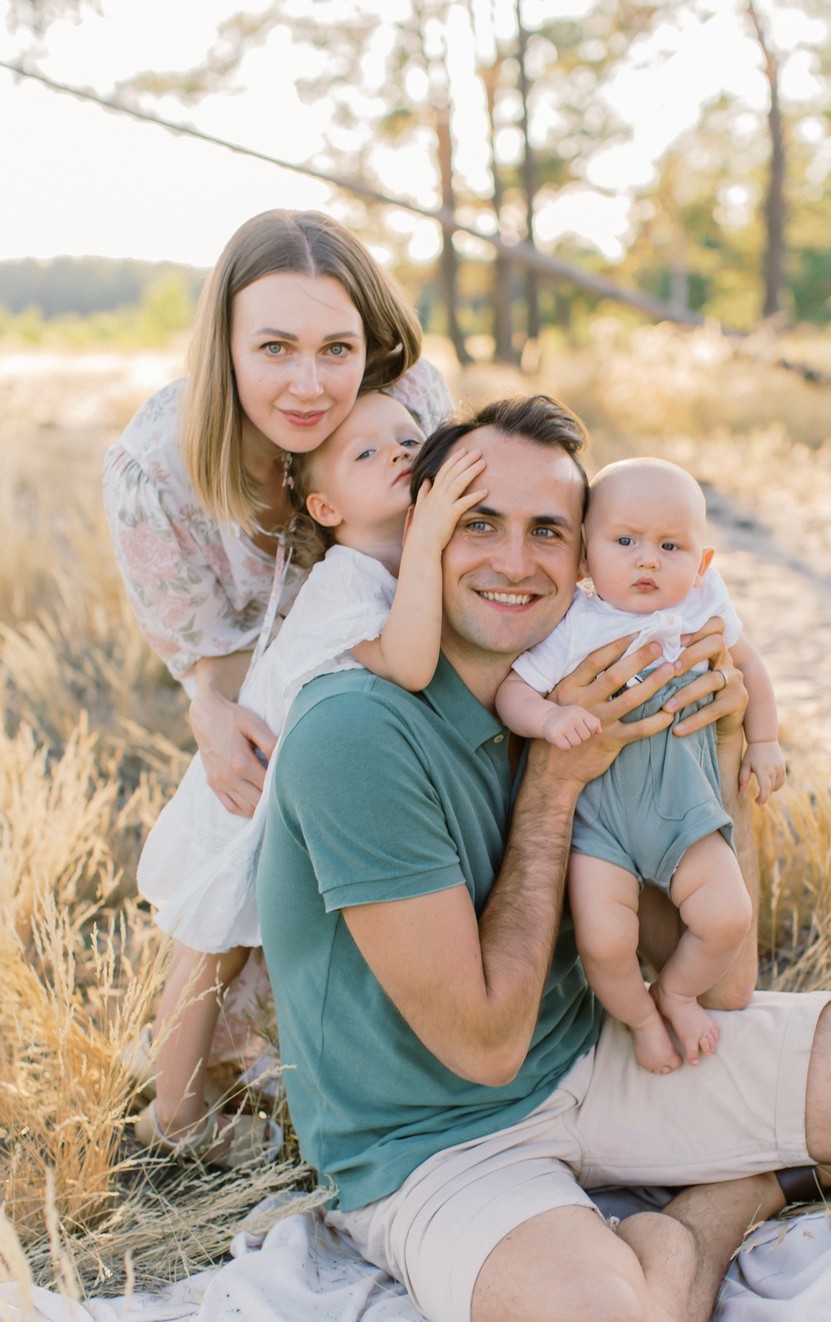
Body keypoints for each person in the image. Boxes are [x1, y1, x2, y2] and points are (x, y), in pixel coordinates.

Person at [256, 393, 831, 1322]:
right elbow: (481, 1049)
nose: (514, 561)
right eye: (479, 522)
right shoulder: (358, 730)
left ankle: (672, 1191)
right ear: (421, 525)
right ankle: (724, 1200)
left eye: (548, 532)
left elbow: (721, 976)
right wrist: (556, 786)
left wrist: (715, 753)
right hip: (430, 1140)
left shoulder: (592, 682)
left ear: (588, 557)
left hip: (592, 1052)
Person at [103, 208, 451, 1127]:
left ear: (372, 345)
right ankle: (181, 1107)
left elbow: (452, 557)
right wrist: (210, 714)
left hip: (374, 695)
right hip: (273, 704)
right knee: (227, 908)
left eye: (338, 348)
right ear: (224, 346)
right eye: (275, 348)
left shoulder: (407, 406)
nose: (310, 385)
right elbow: (211, 662)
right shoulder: (156, 467)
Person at [131, 393, 485, 1163]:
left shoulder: (397, 566)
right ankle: (175, 1115)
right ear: (324, 506)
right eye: (367, 454)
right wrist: (427, 543)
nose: (397, 452)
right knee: (210, 947)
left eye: (408, 438)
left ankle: (208, 1076)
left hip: (289, 790)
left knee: (237, 951)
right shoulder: (348, 581)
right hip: (248, 788)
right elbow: (410, 664)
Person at [495, 456, 783, 1073]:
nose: (647, 559)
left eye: (670, 545)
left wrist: (762, 742)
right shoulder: (575, 621)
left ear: (703, 563)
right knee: (605, 942)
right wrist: (547, 721)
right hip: (602, 823)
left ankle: (675, 993)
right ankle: (642, 1019)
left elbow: (752, 669)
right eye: (624, 541)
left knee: (728, 915)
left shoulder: (703, 606)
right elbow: (514, 691)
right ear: (585, 558)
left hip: (684, 809)